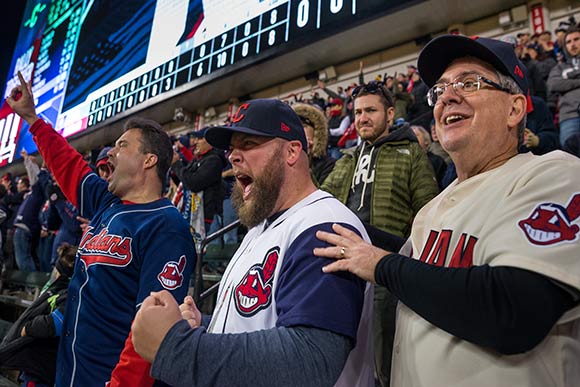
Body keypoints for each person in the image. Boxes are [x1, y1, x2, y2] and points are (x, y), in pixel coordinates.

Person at [314, 35, 580, 387]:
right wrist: (344, 224)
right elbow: (424, 270)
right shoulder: (432, 208)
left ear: (515, 109)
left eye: (469, 83)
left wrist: (380, 265)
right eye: (439, 90)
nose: (447, 96)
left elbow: (514, 310)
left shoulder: (555, 173)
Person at [131, 99, 374, 387]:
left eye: (248, 143)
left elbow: (311, 360)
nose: (233, 156)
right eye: (232, 147)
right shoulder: (261, 227)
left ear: (292, 151)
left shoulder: (324, 224)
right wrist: (207, 324)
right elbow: (257, 321)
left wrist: (179, 348)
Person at [6, 71, 196, 387]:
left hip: (105, 378)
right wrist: (32, 119)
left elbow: (151, 331)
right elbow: (69, 166)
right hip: (68, 371)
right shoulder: (107, 201)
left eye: (122, 146)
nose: (110, 153)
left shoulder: (167, 227)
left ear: (149, 160)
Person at [321, 80, 438, 387]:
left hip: (387, 267)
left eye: (370, 110)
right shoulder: (346, 158)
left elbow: (429, 213)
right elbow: (321, 202)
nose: (362, 118)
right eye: (358, 112)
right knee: (344, 355)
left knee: (385, 357)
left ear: (389, 114)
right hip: (344, 267)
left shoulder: (411, 153)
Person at [0, 243, 77, 387]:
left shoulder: (69, 296)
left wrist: (27, 328)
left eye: (57, 269)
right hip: (33, 365)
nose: (54, 273)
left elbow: (54, 324)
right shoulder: (55, 290)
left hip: (43, 366)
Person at [547, 27, 580, 146]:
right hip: (569, 116)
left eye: (576, 39)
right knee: (571, 160)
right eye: (569, 42)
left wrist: (569, 79)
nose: (573, 44)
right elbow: (553, 84)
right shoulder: (559, 68)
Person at [292, 102, 336, 185]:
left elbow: (324, 194)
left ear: (316, 132)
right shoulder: (283, 164)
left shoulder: (330, 165)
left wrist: (305, 159)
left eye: (303, 126)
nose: (299, 131)